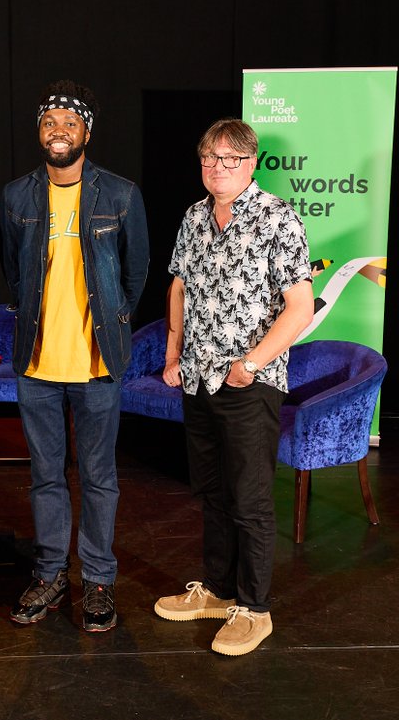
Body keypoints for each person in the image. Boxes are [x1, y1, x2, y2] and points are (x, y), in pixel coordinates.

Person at [154, 118, 313, 656]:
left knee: (249, 499)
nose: (216, 169)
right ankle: (218, 592)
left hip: (249, 382)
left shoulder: (277, 218)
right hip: (197, 380)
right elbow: (178, 286)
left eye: (228, 160)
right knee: (213, 493)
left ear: (251, 163)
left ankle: (255, 607)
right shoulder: (195, 217)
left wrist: (251, 363)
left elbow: (300, 307)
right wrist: (173, 352)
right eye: (208, 159)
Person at [0, 80, 149, 632]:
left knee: (99, 477)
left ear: (87, 131)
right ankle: (50, 574)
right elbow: (14, 274)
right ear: (39, 131)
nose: (59, 132)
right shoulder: (16, 196)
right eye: (49, 123)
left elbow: (134, 276)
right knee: (45, 477)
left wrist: (109, 323)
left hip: (97, 366)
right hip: (36, 366)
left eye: (70, 123)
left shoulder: (120, 194)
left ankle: (100, 583)